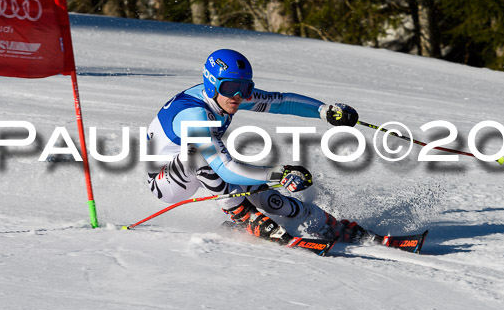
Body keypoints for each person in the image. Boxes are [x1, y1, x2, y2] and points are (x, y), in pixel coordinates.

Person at [146, 48, 380, 245]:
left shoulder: (224, 94)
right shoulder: (193, 115)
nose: (238, 96)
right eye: (230, 88)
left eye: (245, 88)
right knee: (202, 156)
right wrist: (279, 173)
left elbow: (279, 102)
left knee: (263, 194)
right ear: (211, 84)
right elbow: (225, 168)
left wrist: (324, 111)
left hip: (207, 169)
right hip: (166, 180)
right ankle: (243, 216)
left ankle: (323, 223)